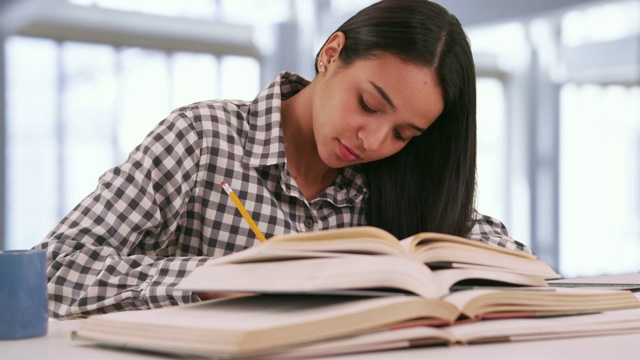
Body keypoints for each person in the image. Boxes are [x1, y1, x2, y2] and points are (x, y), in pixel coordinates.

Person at [34, 0, 530, 319]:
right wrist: (219, 279)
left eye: (404, 133)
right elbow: (53, 271)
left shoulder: (395, 178)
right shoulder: (203, 139)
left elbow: (502, 251)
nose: (373, 140)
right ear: (331, 54)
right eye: (369, 104)